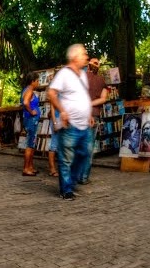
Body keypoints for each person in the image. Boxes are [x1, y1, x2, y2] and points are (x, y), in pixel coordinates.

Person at [47, 44, 93, 200]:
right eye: (84, 54)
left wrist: (89, 114)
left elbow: (83, 96)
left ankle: (70, 183)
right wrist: (62, 111)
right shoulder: (64, 74)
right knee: (66, 158)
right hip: (70, 124)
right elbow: (51, 93)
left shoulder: (83, 74)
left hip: (84, 124)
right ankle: (66, 189)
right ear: (75, 57)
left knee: (84, 154)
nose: (86, 57)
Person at [79, 57, 109, 184]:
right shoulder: (102, 80)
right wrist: (91, 103)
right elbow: (103, 99)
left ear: (88, 65)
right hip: (94, 114)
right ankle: (84, 177)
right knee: (89, 146)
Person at [20, 71, 40, 176]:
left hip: (29, 120)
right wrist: (32, 111)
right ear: (32, 81)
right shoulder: (30, 91)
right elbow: (26, 102)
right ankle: (26, 168)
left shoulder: (26, 89)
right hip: (31, 120)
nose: (38, 83)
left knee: (32, 144)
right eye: (37, 81)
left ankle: (30, 167)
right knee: (30, 144)